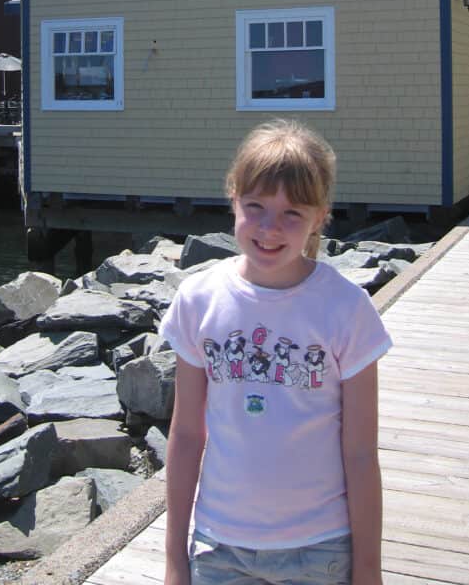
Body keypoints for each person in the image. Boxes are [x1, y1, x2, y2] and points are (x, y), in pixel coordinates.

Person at [160, 120, 392, 585]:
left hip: (319, 550)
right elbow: (186, 436)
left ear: (320, 217)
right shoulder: (198, 300)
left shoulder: (347, 309)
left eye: (292, 213)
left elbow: (361, 452)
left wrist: (368, 568)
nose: (270, 228)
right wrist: (174, 559)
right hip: (218, 547)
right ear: (232, 200)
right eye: (255, 207)